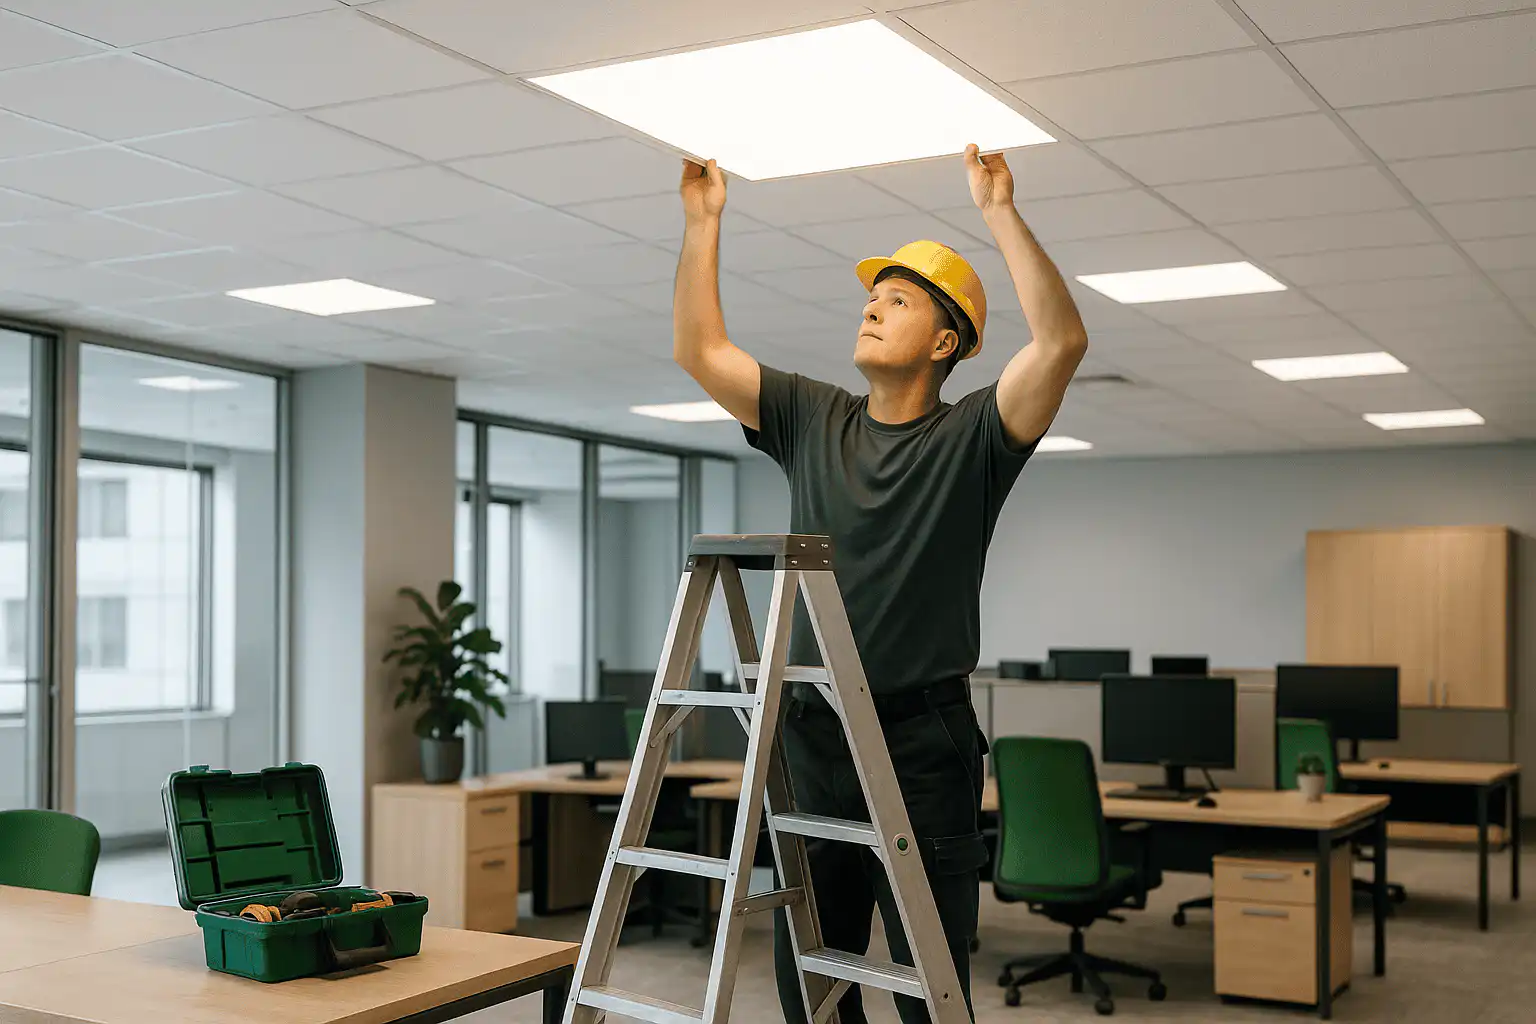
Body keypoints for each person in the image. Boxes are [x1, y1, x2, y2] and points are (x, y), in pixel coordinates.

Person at [672, 144, 1089, 1024]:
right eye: (871, 295)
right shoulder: (811, 416)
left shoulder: (976, 438)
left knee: (930, 987)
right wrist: (702, 225)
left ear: (946, 343)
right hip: (812, 733)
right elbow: (700, 348)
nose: (872, 306)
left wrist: (1000, 214)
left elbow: (1061, 341)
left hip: (919, 739)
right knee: (813, 989)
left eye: (897, 300)